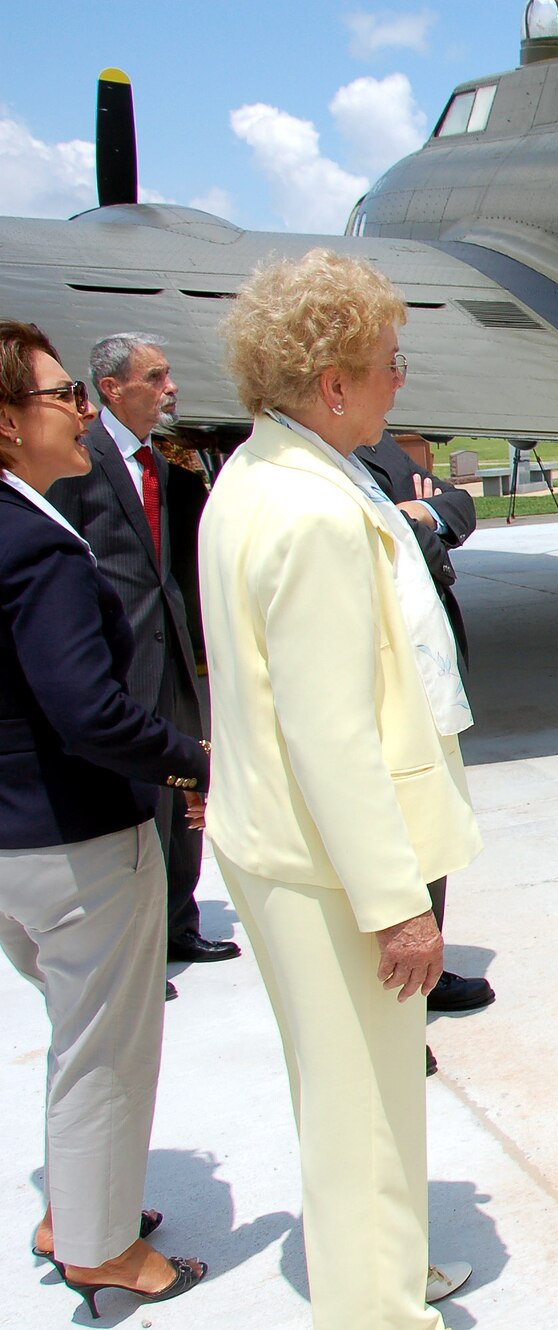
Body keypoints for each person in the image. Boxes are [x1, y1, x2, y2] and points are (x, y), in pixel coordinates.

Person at [198, 250, 482, 1326]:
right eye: (386, 362)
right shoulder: (314, 513)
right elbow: (330, 733)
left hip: (276, 843)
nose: (397, 381)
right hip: (326, 863)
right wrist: (395, 898)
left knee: (356, 1094)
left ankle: (392, 1269)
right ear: (332, 384)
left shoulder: (259, 473)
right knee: (362, 1111)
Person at [0, 320, 209, 1313]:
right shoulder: (37, 546)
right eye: (61, 397)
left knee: (73, 1033)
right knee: (106, 1049)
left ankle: (69, 1209)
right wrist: (187, 760)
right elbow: (86, 709)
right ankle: (101, 1249)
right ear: (7, 422)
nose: (81, 409)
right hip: (77, 844)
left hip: (13, 844)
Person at [48, 332, 239, 970]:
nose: (170, 389)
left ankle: (178, 923)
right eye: (155, 378)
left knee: (185, 789)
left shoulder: (163, 465)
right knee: (131, 804)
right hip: (121, 654)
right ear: (111, 389)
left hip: (174, 651)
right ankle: (134, 949)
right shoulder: (81, 460)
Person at [354, 431, 496, 1040]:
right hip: (382, 675)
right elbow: (384, 547)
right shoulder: (316, 464)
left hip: (427, 670)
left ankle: (423, 978)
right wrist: (413, 520)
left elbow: (461, 507)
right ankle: (391, 1017)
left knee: (429, 832)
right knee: (389, 841)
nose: (398, 380)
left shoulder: (377, 446)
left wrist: (425, 515)